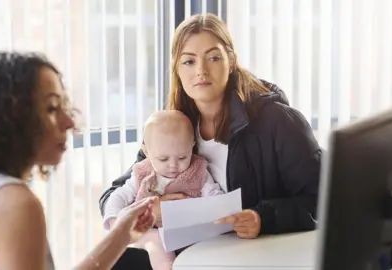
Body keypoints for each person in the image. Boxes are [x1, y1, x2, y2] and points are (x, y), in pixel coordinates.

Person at [99, 13, 321, 269]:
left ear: (231, 61)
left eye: (213, 58)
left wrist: (263, 218)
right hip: (191, 256)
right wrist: (151, 210)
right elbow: (117, 191)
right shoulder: (173, 125)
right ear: (177, 70)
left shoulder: (278, 122)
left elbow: (323, 199)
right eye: (189, 62)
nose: (201, 71)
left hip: (252, 257)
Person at [0, 52, 157, 270]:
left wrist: (122, 235)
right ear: (11, 120)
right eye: (52, 108)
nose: (70, 122)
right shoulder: (14, 203)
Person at [103, 110, 223, 270]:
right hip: (151, 233)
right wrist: (115, 221)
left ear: (192, 146)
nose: (173, 166)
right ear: (146, 152)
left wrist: (219, 211)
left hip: (189, 233)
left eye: (182, 157)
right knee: (159, 250)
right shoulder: (142, 173)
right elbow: (118, 195)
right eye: (163, 159)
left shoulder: (198, 170)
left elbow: (216, 197)